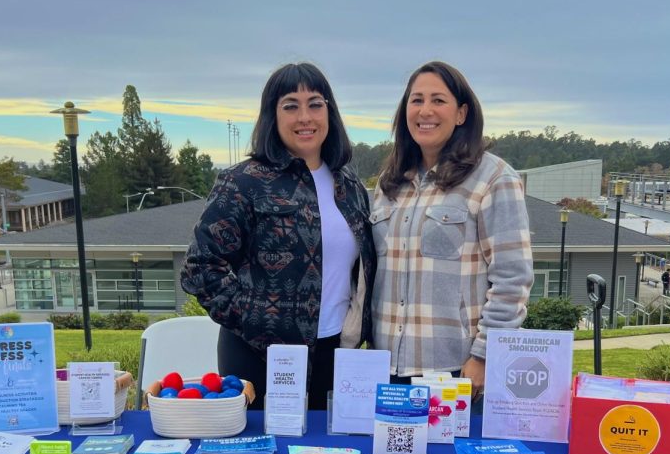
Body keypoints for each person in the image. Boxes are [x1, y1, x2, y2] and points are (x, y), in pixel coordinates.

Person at [181, 63, 375, 410]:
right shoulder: (244, 182)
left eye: (315, 104)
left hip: (335, 353)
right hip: (258, 356)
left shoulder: (350, 187)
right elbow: (200, 268)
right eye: (291, 105)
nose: (305, 117)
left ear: (329, 112)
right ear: (273, 114)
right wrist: (257, 319)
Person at [371, 61, 532, 395]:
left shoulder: (494, 179)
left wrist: (483, 356)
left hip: (454, 372)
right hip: (384, 369)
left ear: (461, 114)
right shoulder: (390, 184)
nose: (425, 110)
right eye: (416, 100)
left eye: (438, 100)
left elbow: (512, 278)